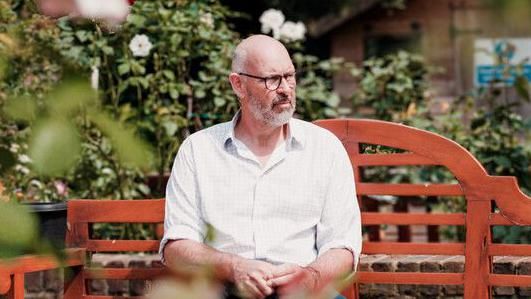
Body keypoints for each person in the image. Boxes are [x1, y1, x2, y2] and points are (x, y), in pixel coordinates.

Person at [160, 34, 362, 299]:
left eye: (289, 76)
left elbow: (343, 246)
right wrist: (235, 268)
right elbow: (176, 246)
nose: (285, 89)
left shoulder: (325, 149)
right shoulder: (198, 150)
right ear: (238, 85)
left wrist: (310, 278)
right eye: (271, 79)